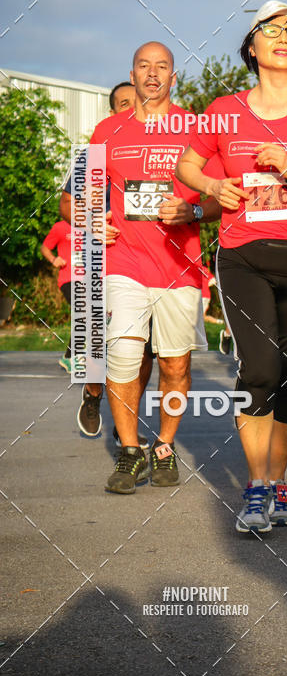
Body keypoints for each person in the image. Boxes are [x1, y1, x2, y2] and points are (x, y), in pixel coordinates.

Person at [176, 0, 287, 532]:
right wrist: (213, 185)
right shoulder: (224, 108)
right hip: (243, 258)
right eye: (273, 29)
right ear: (251, 47)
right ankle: (255, 487)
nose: (285, 36)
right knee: (258, 370)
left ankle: (280, 481)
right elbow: (189, 163)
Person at [89, 41, 220, 493]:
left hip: (179, 266)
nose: (151, 74)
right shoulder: (107, 130)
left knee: (175, 367)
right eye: (143, 66)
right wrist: (95, 222)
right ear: (133, 72)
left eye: (161, 66)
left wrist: (195, 213)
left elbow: (221, 195)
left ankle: (162, 446)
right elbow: (87, 194)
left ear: (173, 77)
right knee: (123, 352)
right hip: (124, 260)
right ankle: (129, 450)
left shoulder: (196, 127)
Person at [58, 82, 151, 443]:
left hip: (151, 265)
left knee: (142, 351)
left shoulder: (160, 151)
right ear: (113, 112)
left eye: (138, 103)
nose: (132, 110)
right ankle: (94, 393)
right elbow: (66, 204)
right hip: (104, 260)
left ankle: (126, 417)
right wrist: (92, 221)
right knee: (102, 340)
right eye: (124, 104)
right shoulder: (97, 152)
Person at [40, 220, 74, 373]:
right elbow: (45, 248)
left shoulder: (93, 224)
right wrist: (54, 259)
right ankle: (70, 356)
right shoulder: (60, 227)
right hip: (69, 279)